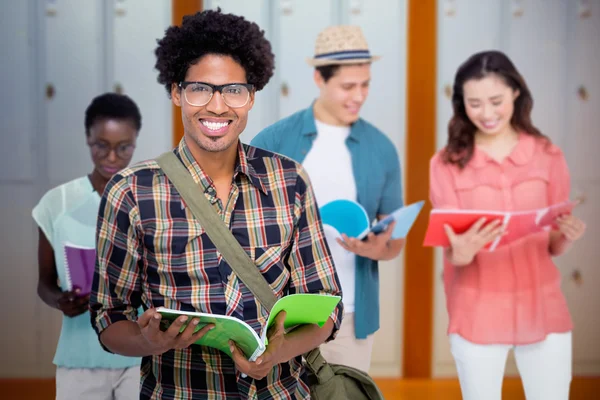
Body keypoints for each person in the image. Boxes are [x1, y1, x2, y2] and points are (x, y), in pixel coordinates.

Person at [89, 9, 343, 400]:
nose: (218, 106)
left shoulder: (289, 181)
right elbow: (109, 318)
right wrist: (151, 342)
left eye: (233, 90)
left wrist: (276, 354)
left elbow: (326, 310)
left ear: (251, 96)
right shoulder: (130, 192)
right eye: (200, 89)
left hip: (279, 392)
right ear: (176, 92)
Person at [429, 50, 586, 400]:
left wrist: (566, 236)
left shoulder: (548, 155)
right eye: (474, 104)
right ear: (461, 104)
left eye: (496, 101)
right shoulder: (446, 163)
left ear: (516, 92)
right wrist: (463, 250)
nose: (486, 114)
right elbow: (452, 250)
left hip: (543, 306)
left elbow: (552, 244)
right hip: (476, 309)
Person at [251, 25, 404, 372]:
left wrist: (378, 248)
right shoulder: (273, 141)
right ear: (319, 79)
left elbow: (395, 240)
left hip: (350, 316)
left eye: (365, 84)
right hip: (280, 314)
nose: (359, 96)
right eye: (348, 86)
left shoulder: (381, 149)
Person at [33, 93, 142, 400]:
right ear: (88, 139)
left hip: (139, 354)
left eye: (123, 147)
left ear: (135, 141)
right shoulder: (58, 202)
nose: (111, 157)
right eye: (101, 146)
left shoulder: (147, 199)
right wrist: (60, 301)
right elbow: (44, 282)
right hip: (79, 356)